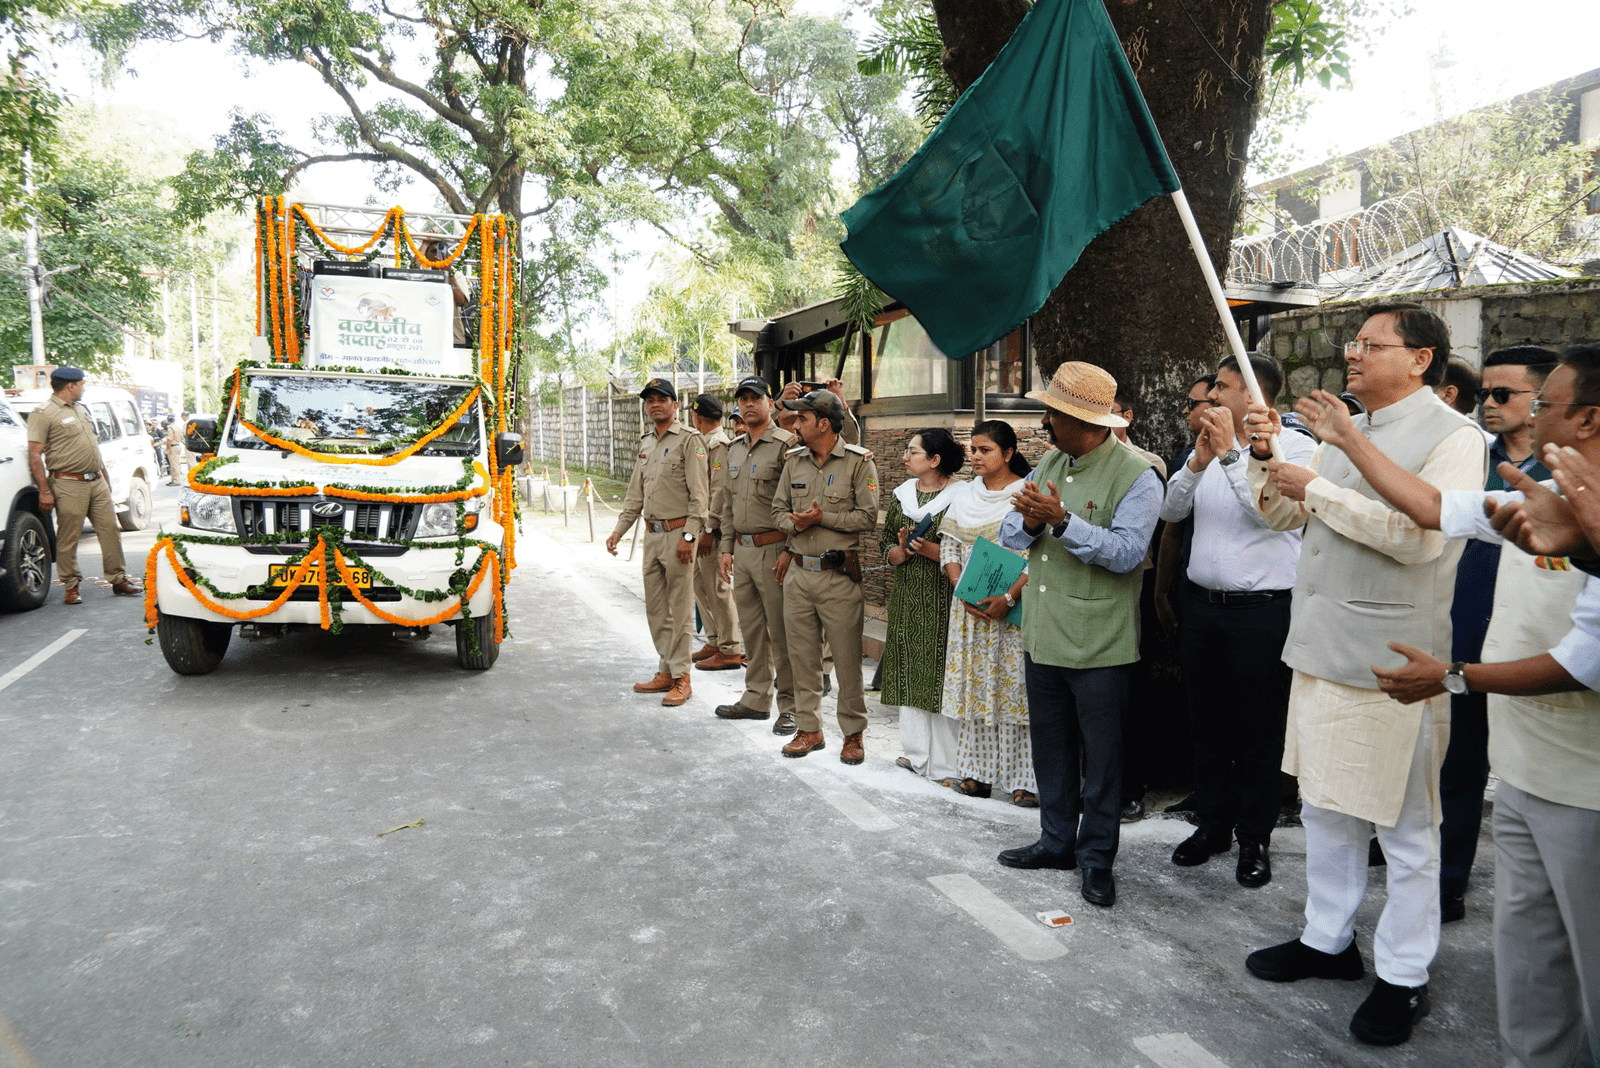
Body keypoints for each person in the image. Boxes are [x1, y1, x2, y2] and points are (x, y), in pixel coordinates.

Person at [1299, 341, 1600, 1068]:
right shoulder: (1533, 485)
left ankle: (1408, 980)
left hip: (1584, 789)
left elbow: (1583, 663)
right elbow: (1432, 505)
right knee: (1530, 977)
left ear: (1586, 420)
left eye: (1542, 403)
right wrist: (1343, 439)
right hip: (1524, 770)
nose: (1519, 413)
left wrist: (1458, 675)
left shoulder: (1483, 452)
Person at [1240, 302, 1487, 1047]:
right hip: (1319, 647)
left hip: (1393, 660)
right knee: (1324, 805)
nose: (1352, 354)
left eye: (1370, 344)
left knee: (1406, 827)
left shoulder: (1455, 438)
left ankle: (1404, 976)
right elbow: (1286, 519)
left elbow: (1416, 539)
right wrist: (1265, 460)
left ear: (1421, 358)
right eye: (1353, 342)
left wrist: (1314, 485)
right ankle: (1327, 938)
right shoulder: (1346, 429)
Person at [996, 362, 1162, 909]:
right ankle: (1055, 842)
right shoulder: (1050, 460)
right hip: (1043, 636)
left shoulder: (1138, 474)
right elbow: (1009, 531)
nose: (1044, 422)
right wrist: (1035, 521)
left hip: (1100, 644)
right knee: (1052, 751)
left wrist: (1064, 523)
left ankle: (1096, 859)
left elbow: (1127, 554)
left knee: (1103, 759)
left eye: (1054, 414)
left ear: (1084, 421)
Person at [1159, 353, 1314, 889]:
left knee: (1259, 731)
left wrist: (1230, 453)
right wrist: (1199, 462)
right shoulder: (1204, 449)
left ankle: (1255, 837)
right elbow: (1172, 512)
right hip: (1203, 606)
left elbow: (1266, 513)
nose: (1209, 399)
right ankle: (1213, 827)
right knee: (1207, 725)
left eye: (1220, 389)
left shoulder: (1296, 449)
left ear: (1253, 396)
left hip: (1262, 610)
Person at [1436, 347, 1554, 921]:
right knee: (1457, 764)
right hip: (1463, 632)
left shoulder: (1567, 475)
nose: (1487, 404)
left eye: (1502, 394)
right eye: (1484, 393)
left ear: (1543, 401)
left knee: (1535, 778)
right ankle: (1448, 879)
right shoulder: (1469, 456)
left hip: (1539, 649)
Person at [771, 389, 880, 763]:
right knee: (802, 658)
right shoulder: (793, 461)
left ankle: (853, 734)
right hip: (799, 576)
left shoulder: (858, 462)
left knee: (848, 661)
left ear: (823, 423)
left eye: (802, 418)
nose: (795, 424)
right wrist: (794, 524)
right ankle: (809, 729)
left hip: (838, 578)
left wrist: (822, 518)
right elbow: (777, 510)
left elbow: (867, 517)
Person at [937, 420, 1035, 804]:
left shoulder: (1025, 494)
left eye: (985, 450)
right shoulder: (964, 496)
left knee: (1016, 691)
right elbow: (949, 548)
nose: (975, 457)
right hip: (970, 611)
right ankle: (977, 773)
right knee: (973, 689)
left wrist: (1008, 598)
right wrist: (962, 590)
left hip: (1012, 612)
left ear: (1008, 453)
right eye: (973, 450)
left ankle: (1024, 780)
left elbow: (1036, 557)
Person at [605, 379, 709, 708]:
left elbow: (700, 498)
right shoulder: (647, 443)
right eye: (650, 400)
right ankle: (666, 669)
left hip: (678, 535)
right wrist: (619, 530)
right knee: (655, 610)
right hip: (651, 536)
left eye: (662, 399)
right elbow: (636, 494)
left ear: (675, 405)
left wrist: (689, 537)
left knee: (680, 611)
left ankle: (682, 678)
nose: (655, 404)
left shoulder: (690, 441)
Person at [713, 377, 801, 731]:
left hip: (775, 549)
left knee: (783, 632)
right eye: (743, 399)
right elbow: (729, 505)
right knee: (751, 631)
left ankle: (791, 706)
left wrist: (790, 550)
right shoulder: (733, 448)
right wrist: (726, 547)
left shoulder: (786, 445)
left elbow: (797, 501)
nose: (749, 404)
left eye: (756, 398)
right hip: (744, 553)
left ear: (770, 402)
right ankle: (755, 698)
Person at [880, 428, 964, 778]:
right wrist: (899, 552)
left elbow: (966, 545)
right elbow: (888, 545)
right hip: (909, 593)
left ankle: (948, 763)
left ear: (935, 459)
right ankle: (916, 755)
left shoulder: (962, 496)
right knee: (910, 668)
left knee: (942, 673)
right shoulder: (902, 496)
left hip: (945, 594)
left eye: (913, 451)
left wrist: (930, 550)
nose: (905, 456)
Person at [25, 367, 141, 604]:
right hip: (68, 483)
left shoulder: (80, 409)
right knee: (69, 536)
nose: (83, 387)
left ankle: (118, 579)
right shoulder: (43, 413)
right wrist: (44, 490)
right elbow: (35, 454)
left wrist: (104, 478)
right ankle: (70, 586)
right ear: (70, 386)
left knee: (110, 530)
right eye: (81, 384)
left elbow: (93, 447)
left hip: (96, 481)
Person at [689, 393, 744, 672]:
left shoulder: (718, 444)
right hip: (701, 527)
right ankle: (714, 639)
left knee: (717, 588)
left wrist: (710, 528)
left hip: (714, 528)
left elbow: (719, 491)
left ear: (698, 417)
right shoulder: (704, 442)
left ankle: (730, 648)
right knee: (699, 584)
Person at [423, 239, 472, 348]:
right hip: (426, 337)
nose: (436, 255)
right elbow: (413, 266)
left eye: (440, 251)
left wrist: (449, 275)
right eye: (433, 251)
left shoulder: (457, 275)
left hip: (453, 339)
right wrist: (425, 243)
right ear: (426, 255)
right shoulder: (421, 273)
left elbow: (462, 302)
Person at [163, 416, 189, 486]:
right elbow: (182, 437)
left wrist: (167, 449)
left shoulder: (170, 428)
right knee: (173, 464)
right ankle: (173, 479)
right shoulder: (177, 427)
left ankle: (177, 480)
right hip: (177, 445)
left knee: (174, 465)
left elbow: (169, 439)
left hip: (173, 447)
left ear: (168, 421)